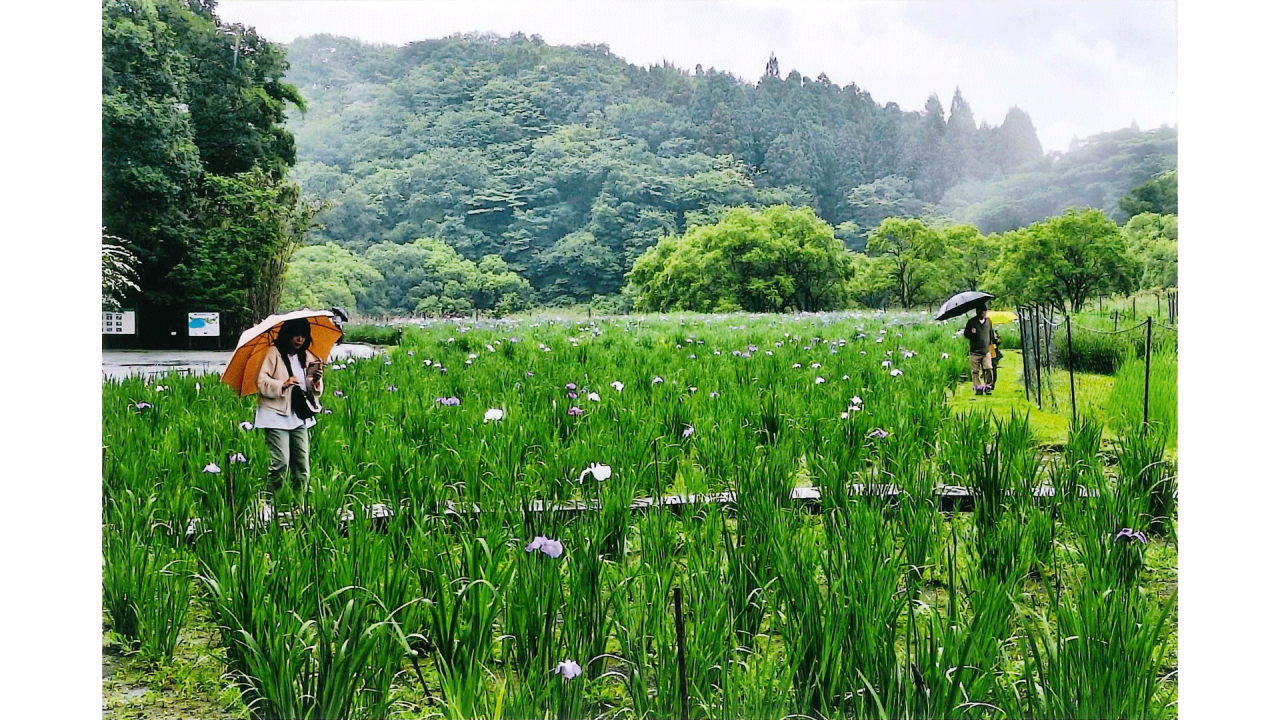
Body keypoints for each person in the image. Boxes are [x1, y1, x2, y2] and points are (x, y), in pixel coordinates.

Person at [255, 318, 325, 506]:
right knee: (280, 463)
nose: (299, 340)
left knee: (302, 467)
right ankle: (268, 505)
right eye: (296, 335)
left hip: (299, 415)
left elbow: (312, 389)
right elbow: (261, 382)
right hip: (275, 414)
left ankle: (298, 507)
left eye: (303, 336)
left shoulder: (307, 356)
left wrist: (316, 380)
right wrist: (283, 384)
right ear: (287, 335)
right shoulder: (274, 353)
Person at [964, 304, 994, 396]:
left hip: (985, 351)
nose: (983, 313)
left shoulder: (988, 321)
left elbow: (991, 333)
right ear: (977, 312)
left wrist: (992, 342)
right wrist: (972, 333)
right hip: (975, 351)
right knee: (975, 371)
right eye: (981, 311)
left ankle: (988, 386)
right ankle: (978, 387)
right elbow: (966, 335)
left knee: (988, 368)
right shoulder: (971, 322)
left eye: (984, 311)